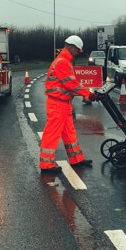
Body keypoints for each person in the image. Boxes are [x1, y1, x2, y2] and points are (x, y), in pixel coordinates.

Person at [39, 35, 97, 173]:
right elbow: (71, 84)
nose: (79, 53)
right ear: (71, 47)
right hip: (57, 104)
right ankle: (46, 165)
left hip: (63, 103)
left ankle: (76, 159)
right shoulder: (62, 62)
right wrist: (87, 94)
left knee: (69, 133)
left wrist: (86, 93)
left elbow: (70, 84)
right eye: (78, 50)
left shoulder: (65, 61)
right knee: (52, 134)